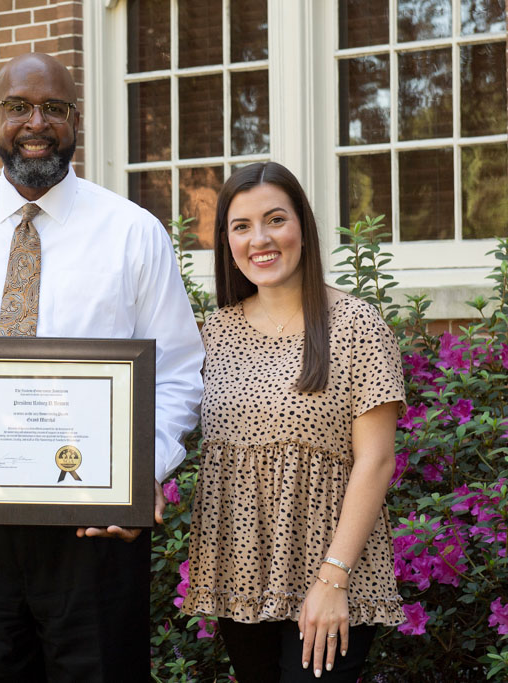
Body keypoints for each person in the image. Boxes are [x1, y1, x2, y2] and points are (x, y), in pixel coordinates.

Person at [0, 53, 204, 681]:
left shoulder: (133, 233)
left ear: (76, 120)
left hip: (96, 521)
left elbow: (179, 372)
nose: (37, 122)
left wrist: (141, 472)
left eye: (54, 108)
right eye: (19, 107)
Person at [180, 161, 405, 681]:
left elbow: (376, 459)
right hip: (242, 568)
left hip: (331, 570)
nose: (260, 239)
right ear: (226, 241)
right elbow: (163, 415)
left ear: (302, 225)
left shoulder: (355, 324)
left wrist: (333, 580)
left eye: (275, 219)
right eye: (241, 226)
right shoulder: (212, 331)